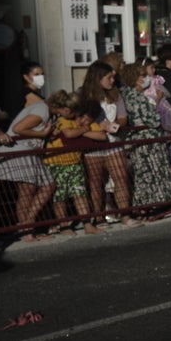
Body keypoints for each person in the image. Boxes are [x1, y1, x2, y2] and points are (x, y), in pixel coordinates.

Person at [0, 61, 56, 241]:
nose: (41, 77)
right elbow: (21, 127)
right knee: (27, 190)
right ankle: (26, 230)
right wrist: (43, 132)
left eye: (42, 73)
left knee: (40, 187)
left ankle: (27, 227)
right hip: (20, 147)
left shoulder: (38, 97)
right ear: (26, 77)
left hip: (28, 147)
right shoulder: (30, 97)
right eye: (37, 74)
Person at [79, 60, 142, 229]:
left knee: (121, 178)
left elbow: (123, 116)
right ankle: (99, 217)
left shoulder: (115, 94)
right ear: (98, 78)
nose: (112, 81)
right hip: (93, 145)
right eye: (109, 77)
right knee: (96, 182)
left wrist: (117, 126)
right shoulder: (83, 95)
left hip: (114, 143)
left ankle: (125, 215)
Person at [44, 90, 103, 235]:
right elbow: (69, 134)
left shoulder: (87, 123)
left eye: (85, 118)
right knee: (60, 195)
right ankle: (64, 226)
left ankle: (87, 224)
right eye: (80, 116)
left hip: (75, 162)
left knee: (80, 193)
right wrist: (84, 129)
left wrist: (83, 130)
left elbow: (101, 135)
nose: (82, 120)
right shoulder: (63, 120)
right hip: (56, 163)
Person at [120, 61, 171, 207]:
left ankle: (157, 204)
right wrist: (156, 104)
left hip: (150, 140)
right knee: (149, 175)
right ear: (135, 78)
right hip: (147, 142)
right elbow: (152, 119)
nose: (146, 79)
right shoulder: (134, 96)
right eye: (143, 75)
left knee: (154, 173)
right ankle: (150, 205)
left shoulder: (133, 94)